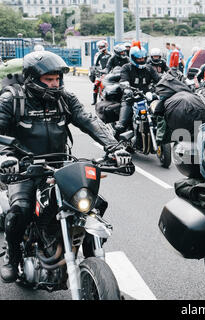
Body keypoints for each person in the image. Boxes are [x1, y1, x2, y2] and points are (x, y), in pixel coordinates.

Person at [0, 51, 131, 282]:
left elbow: (89, 121)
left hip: (59, 167)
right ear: (31, 78)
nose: (55, 84)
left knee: (94, 206)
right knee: (19, 210)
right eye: (48, 79)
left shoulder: (65, 98)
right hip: (23, 169)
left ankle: (95, 264)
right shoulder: (12, 100)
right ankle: (13, 255)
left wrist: (115, 148)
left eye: (57, 79)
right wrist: (5, 158)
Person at [115, 46, 161, 135]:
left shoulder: (149, 68)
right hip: (131, 98)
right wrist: (127, 89)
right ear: (133, 58)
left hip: (147, 97)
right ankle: (114, 143)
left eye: (143, 58)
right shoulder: (126, 68)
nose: (141, 60)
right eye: (139, 59)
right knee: (121, 126)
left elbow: (159, 79)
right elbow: (124, 80)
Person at [92, 40, 111, 105]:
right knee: (96, 85)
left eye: (101, 46)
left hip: (109, 72)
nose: (100, 48)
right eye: (99, 46)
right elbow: (95, 64)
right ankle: (94, 100)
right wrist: (97, 71)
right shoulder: (97, 54)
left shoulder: (111, 54)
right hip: (100, 73)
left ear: (106, 46)